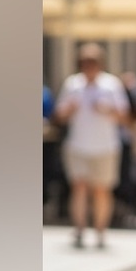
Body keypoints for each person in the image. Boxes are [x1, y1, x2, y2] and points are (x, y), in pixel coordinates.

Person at [54, 43, 130, 248]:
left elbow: (125, 117)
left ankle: (100, 231)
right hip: (78, 145)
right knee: (78, 187)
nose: (88, 66)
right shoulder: (73, 84)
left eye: (92, 62)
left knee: (101, 190)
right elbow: (59, 116)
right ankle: (79, 230)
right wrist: (68, 109)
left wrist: (108, 110)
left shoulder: (111, 84)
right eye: (85, 62)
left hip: (105, 146)